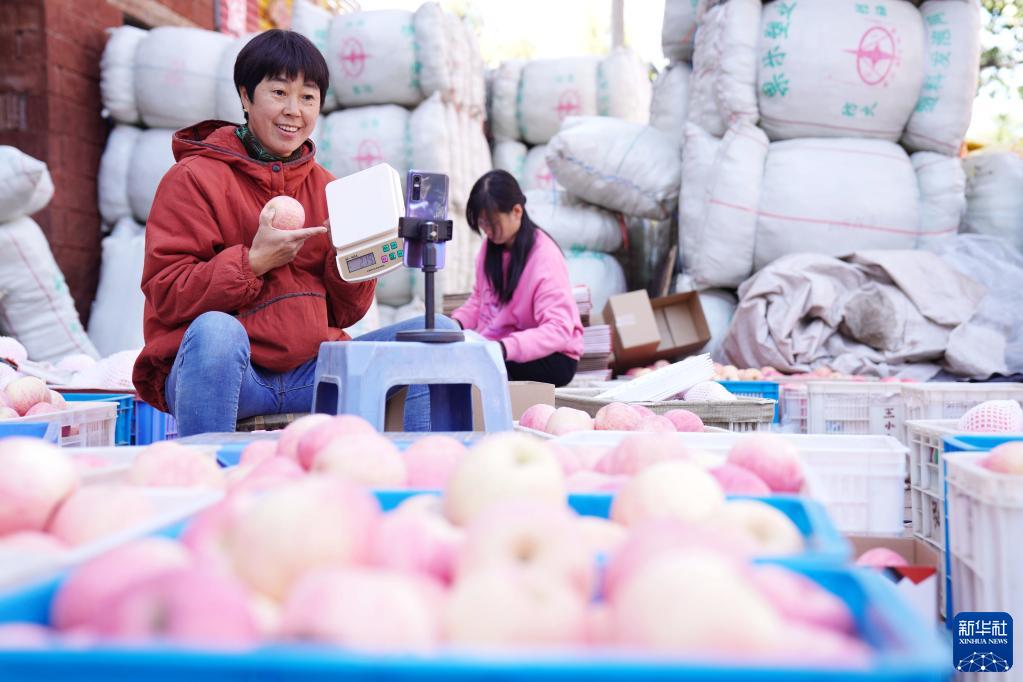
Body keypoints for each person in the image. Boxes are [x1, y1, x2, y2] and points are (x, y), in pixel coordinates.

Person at [132, 30, 459, 437]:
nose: (293, 110)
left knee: (439, 336)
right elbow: (166, 291)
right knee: (217, 331)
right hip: (233, 375)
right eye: (279, 92)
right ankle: (206, 476)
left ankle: (418, 477)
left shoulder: (331, 189)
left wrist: (355, 261)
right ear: (246, 96)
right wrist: (252, 264)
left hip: (314, 375)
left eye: (307, 97)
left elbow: (344, 315)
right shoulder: (192, 179)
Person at [452, 170, 584, 387]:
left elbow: (558, 329)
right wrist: (454, 324)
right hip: (501, 346)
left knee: (478, 370)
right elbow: (480, 300)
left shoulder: (544, 257)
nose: (487, 231)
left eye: (492, 223)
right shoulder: (490, 248)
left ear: (517, 211)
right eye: (482, 224)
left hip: (552, 357)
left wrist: (504, 348)